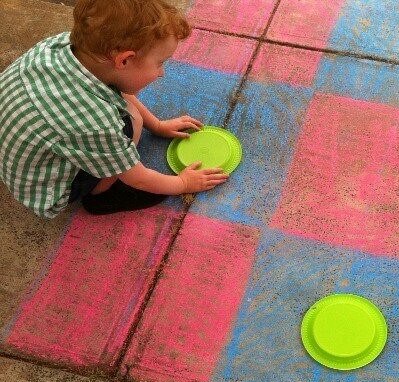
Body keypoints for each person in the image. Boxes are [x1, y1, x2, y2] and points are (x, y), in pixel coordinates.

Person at [0, 0, 228, 218]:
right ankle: (102, 194)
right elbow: (137, 178)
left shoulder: (65, 47)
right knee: (130, 124)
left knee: (126, 108)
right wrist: (183, 184)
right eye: (160, 63)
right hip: (43, 188)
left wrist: (157, 125)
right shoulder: (94, 121)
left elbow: (117, 90)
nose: (162, 73)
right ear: (124, 61)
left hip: (18, 154)